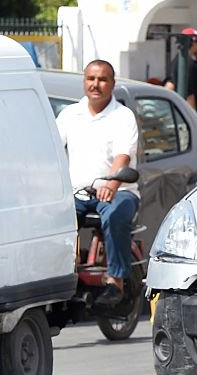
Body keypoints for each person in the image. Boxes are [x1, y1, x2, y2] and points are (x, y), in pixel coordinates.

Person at [56, 60, 140, 306]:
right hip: (78, 193)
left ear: (112, 84)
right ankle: (59, 277)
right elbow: (53, 152)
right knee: (53, 218)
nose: (96, 84)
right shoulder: (69, 115)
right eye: (91, 79)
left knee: (114, 215)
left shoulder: (123, 116)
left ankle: (117, 282)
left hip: (119, 190)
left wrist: (111, 182)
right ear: (84, 81)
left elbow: (123, 156)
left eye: (102, 79)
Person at [165, 27, 197, 110]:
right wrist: (193, 118)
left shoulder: (184, 60)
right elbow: (189, 95)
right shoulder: (187, 64)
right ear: (193, 42)